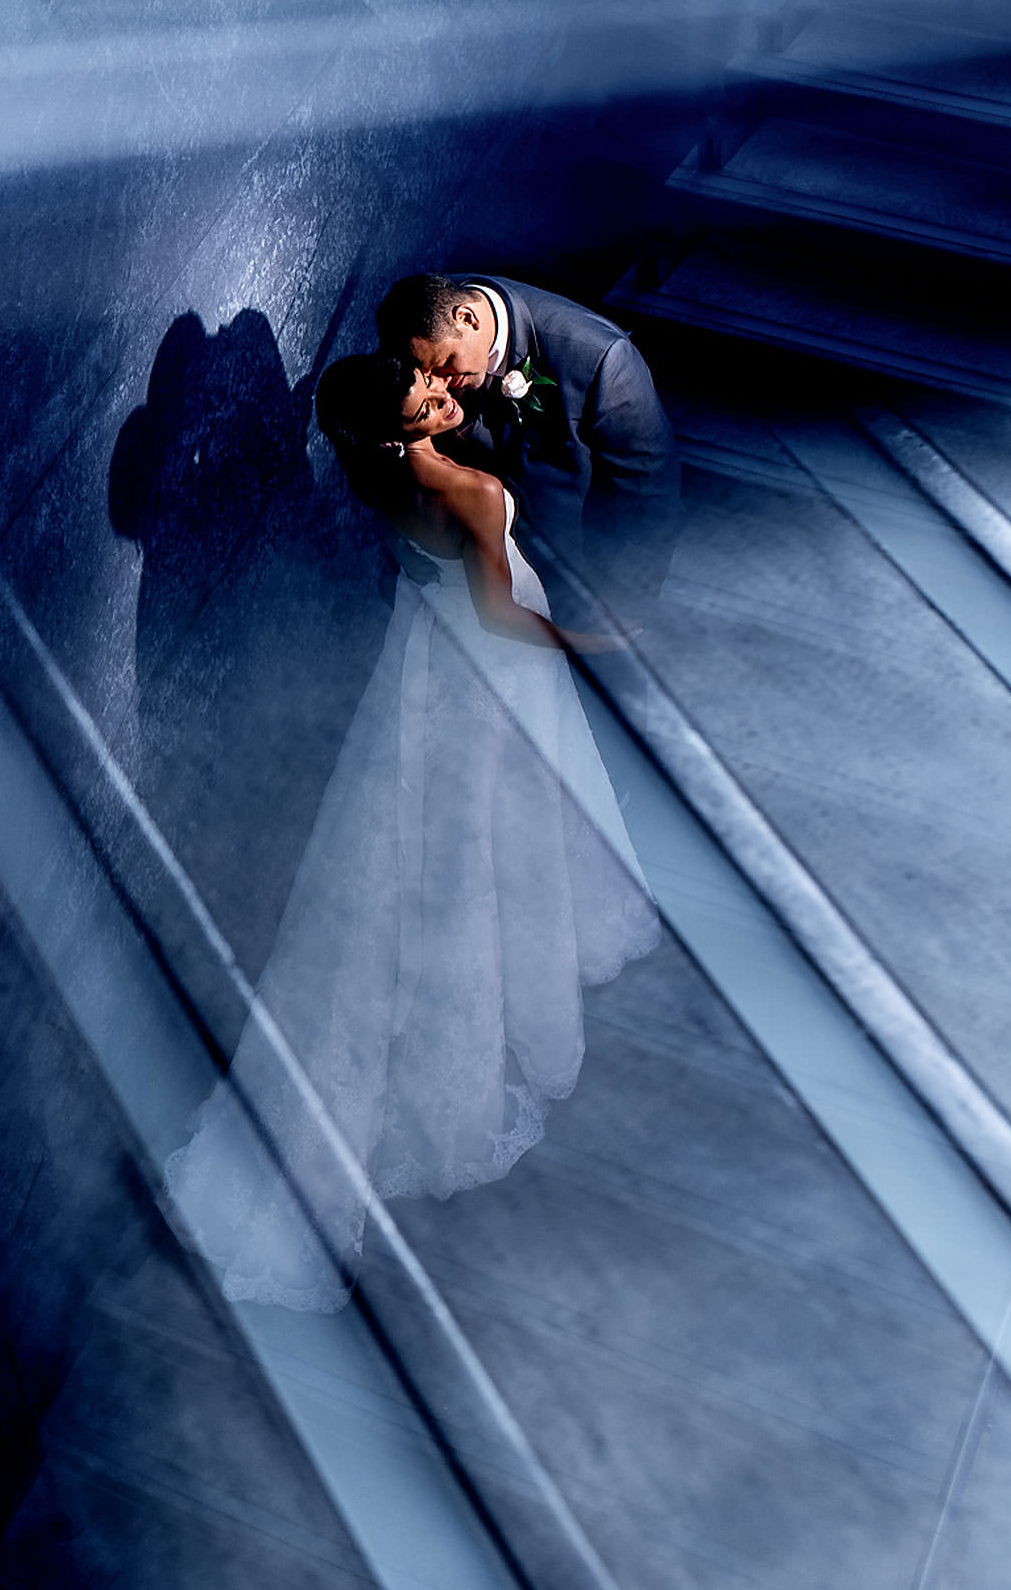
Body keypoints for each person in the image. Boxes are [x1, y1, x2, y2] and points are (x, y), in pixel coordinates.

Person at [161, 353, 658, 1312]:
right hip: (490, 676)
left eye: (432, 384)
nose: (444, 393)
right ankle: (467, 1038)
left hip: (425, 667)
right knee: (480, 846)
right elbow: (504, 618)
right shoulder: (464, 489)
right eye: (427, 397)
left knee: (426, 843)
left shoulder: (385, 477)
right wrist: (600, 644)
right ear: (400, 428)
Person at [376, 272, 680, 630]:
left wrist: (624, 609)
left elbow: (649, 496)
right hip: (461, 585)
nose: (438, 388)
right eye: (426, 376)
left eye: (446, 367)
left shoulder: (601, 360)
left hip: (573, 588)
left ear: (468, 319)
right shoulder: (418, 322)